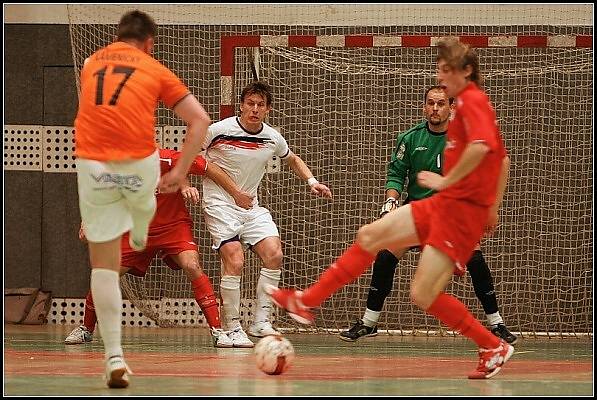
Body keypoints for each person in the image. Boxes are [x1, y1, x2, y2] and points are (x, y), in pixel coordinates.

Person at [268, 37, 515, 379]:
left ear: (467, 71)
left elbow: (483, 149)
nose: (440, 75)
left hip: (459, 214)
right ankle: (306, 301)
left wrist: (449, 181)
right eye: (439, 69)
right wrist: (492, 205)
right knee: (370, 235)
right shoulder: (461, 108)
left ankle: (492, 344)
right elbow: (502, 159)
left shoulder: (474, 102)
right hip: (443, 206)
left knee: (423, 293)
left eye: (447, 70)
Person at [74, 10, 211, 388]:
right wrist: (181, 172)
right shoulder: (154, 69)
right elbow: (199, 120)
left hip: (94, 166)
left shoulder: (90, 63)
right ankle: (140, 215)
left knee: (103, 268)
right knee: (150, 173)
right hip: (138, 163)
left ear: (117, 36)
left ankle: (114, 356)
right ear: (150, 42)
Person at [340, 86, 517, 345]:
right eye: (431, 103)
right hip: (418, 213)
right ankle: (369, 322)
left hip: (453, 216)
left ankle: (496, 323)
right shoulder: (410, 138)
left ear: (451, 108)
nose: (435, 108)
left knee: (475, 260)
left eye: (441, 104)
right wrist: (391, 200)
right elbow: (396, 174)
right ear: (424, 107)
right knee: (386, 256)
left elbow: (496, 165)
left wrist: (488, 208)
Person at [66, 148, 254, 348]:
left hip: (172, 226)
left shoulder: (167, 158)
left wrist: (236, 193)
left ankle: (217, 330)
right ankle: (86, 329)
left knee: (192, 265)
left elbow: (209, 168)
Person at [201, 81, 333, 347]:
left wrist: (311, 181)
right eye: (250, 103)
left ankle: (261, 322)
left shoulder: (271, 137)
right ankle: (231, 327)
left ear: (268, 110)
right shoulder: (217, 131)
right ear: (241, 105)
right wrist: (185, 185)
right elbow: (196, 159)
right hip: (220, 203)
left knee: (274, 254)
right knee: (235, 261)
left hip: (251, 206)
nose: (255, 109)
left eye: (261, 105)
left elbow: (292, 158)